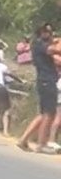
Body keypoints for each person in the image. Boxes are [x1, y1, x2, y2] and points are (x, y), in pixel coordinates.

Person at [17, 24, 61, 153]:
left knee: (43, 114)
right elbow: (53, 50)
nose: (51, 33)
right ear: (42, 32)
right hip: (47, 80)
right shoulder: (40, 44)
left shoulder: (42, 44)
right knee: (49, 114)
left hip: (46, 80)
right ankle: (41, 144)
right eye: (48, 31)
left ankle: (23, 139)